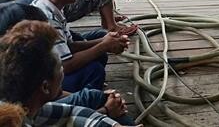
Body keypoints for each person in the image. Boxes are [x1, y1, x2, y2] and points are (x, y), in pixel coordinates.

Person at [0, 20, 140, 127]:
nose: (63, 72)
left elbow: (70, 112)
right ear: (45, 87)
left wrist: (112, 122)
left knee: (97, 97)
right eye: (60, 68)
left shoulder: (23, 106)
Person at [31, 0, 129, 92]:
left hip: (53, 63)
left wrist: (105, 41)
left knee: (101, 38)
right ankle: (81, 99)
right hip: (42, 82)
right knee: (94, 70)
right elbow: (65, 65)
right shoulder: (47, 18)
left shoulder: (51, 7)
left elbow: (69, 46)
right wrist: (104, 46)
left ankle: (87, 88)